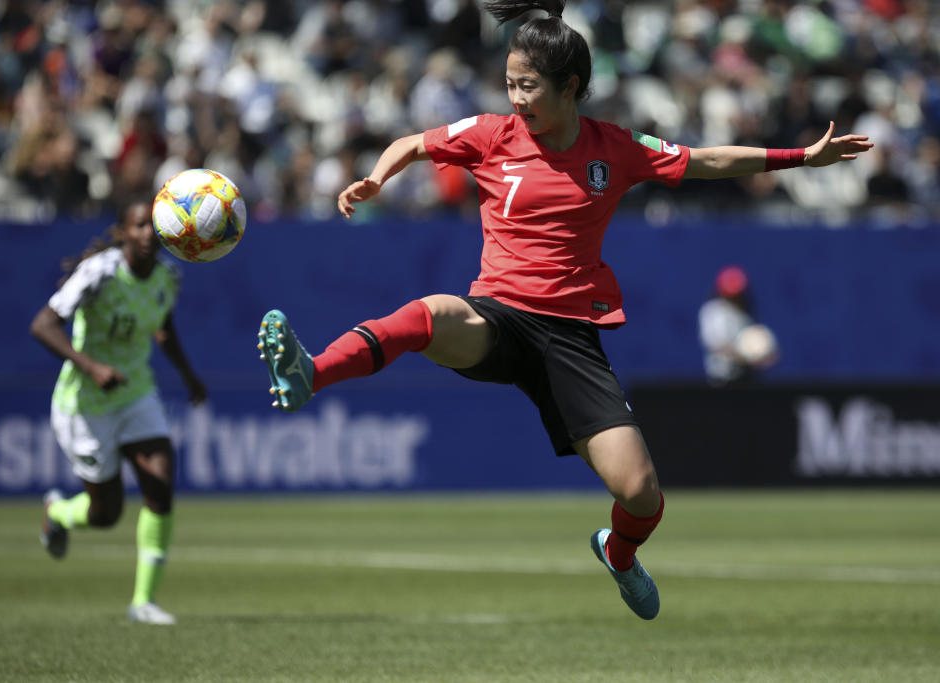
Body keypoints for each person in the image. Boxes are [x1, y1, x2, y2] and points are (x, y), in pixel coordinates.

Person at [258, 0, 873, 620]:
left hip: (571, 340)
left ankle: (619, 554)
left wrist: (798, 159)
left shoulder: (617, 147)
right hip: (497, 316)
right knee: (431, 314)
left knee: (641, 495)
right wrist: (376, 178)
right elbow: (413, 142)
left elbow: (703, 159)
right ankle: (312, 372)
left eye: (528, 86)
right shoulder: (492, 135)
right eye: (510, 84)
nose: (516, 98)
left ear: (570, 87)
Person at [30, 198, 206, 625]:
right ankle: (57, 513)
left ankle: (143, 601)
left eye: (154, 227)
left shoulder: (169, 275)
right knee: (105, 514)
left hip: (136, 392)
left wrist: (188, 376)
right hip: (85, 403)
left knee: (161, 485)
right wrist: (91, 366)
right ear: (125, 232)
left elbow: (163, 328)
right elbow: (43, 325)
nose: (148, 234)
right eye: (140, 226)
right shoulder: (100, 272)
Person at [698, 265, 779, 387]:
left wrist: (765, 355)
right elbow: (718, 346)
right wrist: (748, 357)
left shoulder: (745, 310)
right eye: (730, 292)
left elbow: (757, 343)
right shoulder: (714, 311)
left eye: (737, 292)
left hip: (747, 376)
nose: (735, 296)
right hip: (723, 377)